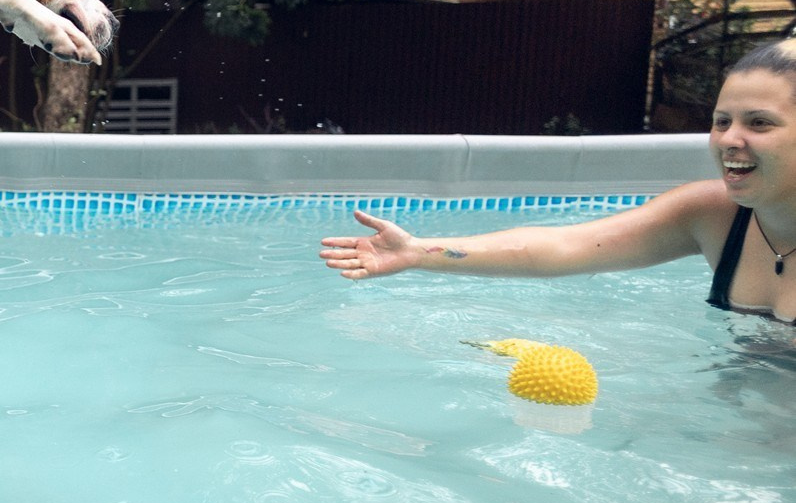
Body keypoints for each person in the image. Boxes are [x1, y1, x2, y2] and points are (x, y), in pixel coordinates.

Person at [319, 37, 796, 325]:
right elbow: (564, 246)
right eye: (720, 121)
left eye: (759, 124)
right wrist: (420, 252)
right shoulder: (711, 214)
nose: (729, 140)